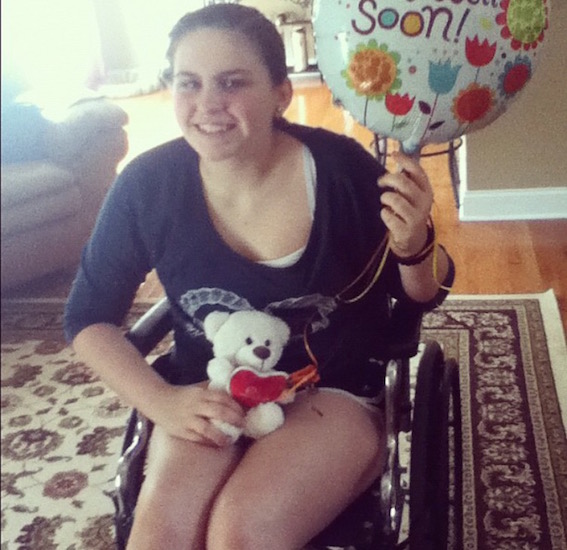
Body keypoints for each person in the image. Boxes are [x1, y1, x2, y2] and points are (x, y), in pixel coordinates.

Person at [64, 5, 455, 549]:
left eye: (231, 83)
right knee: (161, 536)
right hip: (210, 388)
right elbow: (87, 319)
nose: (207, 105)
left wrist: (413, 247)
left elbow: (421, 294)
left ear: (280, 93)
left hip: (333, 391)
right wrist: (162, 403)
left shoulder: (343, 173)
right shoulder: (145, 187)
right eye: (189, 83)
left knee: (239, 534)